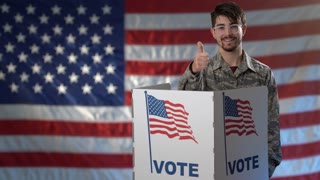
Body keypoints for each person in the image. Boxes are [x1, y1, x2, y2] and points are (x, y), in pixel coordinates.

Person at [178, 2, 282, 178]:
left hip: (251, 169)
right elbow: (185, 108)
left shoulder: (263, 74)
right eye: (221, 27)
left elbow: (271, 128)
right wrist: (194, 71)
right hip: (211, 171)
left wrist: (262, 171)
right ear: (213, 32)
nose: (227, 33)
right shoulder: (202, 71)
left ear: (244, 29)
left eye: (234, 26)